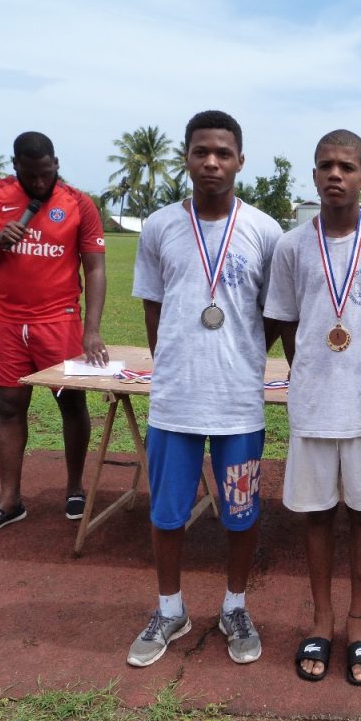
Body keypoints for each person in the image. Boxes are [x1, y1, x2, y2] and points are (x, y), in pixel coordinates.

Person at [127, 110, 282, 669]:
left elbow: (273, 315)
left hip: (239, 404)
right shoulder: (159, 227)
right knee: (167, 512)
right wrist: (178, 363)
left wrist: (240, 357)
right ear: (186, 158)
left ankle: (235, 606)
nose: (211, 162)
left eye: (222, 153)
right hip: (176, 402)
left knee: (241, 511)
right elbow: (154, 308)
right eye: (201, 152)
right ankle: (170, 610)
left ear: (240, 160)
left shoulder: (264, 231)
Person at [263, 129, 361, 685]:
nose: (335, 174)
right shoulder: (291, 246)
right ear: (313, 174)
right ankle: (321, 619)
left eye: (347, 167)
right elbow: (285, 320)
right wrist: (315, 366)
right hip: (312, 403)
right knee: (317, 513)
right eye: (326, 165)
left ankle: (359, 621)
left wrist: (359, 359)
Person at [0, 131, 107, 537]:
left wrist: (92, 330)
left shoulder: (78, 203)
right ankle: (10, 501)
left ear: (56, 164)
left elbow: (95, 267)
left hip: (59, 321)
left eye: (47, 173)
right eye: (32, 175)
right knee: (9, 407)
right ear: (16, 167)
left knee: (71, 404)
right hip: (7, 321)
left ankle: (75, 488)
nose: (41, 181)